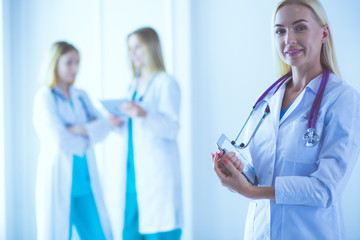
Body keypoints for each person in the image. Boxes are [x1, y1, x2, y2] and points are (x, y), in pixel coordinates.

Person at [212, 0, 360, 239]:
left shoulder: (342, 99)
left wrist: (251, 191)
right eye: (280, 30)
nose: (288, 39)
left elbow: (325, 189)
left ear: (324, 33)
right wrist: (235, 173)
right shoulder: (267, 100)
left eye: (299, 27)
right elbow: (258, 174)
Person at [107, 27, 182, 240]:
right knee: (131, 231)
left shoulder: (165, 83)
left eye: (138, 47)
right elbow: (135, 132)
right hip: (133, 172)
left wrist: (143, 114)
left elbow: (172, 129)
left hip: (157, 175)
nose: (133, 53)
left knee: (159, 231)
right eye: (130, 48)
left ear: (151, 47)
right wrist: (118, 123)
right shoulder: (132, 85)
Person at [33, 41, 113, 240]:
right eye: (69, 63)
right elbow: (58, 140)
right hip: (59, 180)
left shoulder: (81, 96)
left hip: (85, 182)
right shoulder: (45, 97)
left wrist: (78, 129)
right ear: (55, 64)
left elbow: (104, 127)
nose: (74, 68)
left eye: (77, 63)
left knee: (98, 235)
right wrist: (88, 135)